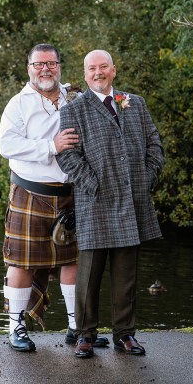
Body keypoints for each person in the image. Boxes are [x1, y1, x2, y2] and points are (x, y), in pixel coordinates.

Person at [0, 43, 109, 352]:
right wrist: (52, 145)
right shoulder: (18, 104)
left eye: (51, 63)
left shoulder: (74, 96)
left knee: (73, 261)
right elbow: (6, 145)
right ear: (29, 68)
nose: (45, 69)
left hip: (73, 195)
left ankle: (77, 328)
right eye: (38, 64)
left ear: (60, 66)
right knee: (20, 264)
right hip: (31, 193)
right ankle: (16, 328)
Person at [57, 49, 164, 358]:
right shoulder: (74, 110)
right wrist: (93, 185)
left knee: (126, 274)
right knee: (88, 275)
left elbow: (154, 145)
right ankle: (85, 335)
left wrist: (145, 179)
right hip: (95, 201)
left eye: (103, 67)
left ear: (114, 70)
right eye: (92, 68)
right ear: (85, 73)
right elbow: (67, 155)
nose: (98, 72)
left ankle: (125, 334)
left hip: (133, 200)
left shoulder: (135, 103)